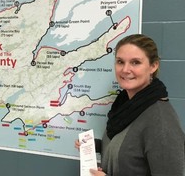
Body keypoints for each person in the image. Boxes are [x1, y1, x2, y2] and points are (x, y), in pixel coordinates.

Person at [75, 34, 185, 176]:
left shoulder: (161, 121)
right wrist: (94, 146)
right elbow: (132, 150)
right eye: (120, 62)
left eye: (135, 62)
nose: (125, 70)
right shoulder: (124, 104)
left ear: (153, 66)